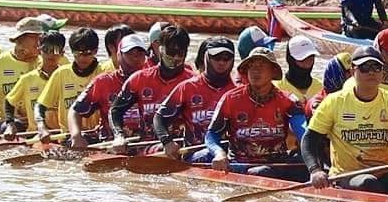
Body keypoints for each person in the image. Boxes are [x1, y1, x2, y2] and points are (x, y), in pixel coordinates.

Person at [303, 45, 388, 195]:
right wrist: (315, 170)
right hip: (347, 176)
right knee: (368, 182)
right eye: (364, 67)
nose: (371, 72)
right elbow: (309, 139)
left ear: (382, 71)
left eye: (376, 67)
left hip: (384, 171)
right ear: (353, 71)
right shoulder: (333, 102)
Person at [205, 44, 309, 178]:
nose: (255, 71)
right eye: (252, 67)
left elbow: (303, 133)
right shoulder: (230, 99)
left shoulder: (289, 100)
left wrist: (314, 160)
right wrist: (218, 153)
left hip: (277, 166)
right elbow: (212, 134)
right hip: (240, 165)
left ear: (273, 72)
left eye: (261, 67)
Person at [117, 25, 197, 147]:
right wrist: (118, 135)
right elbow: (115, 110)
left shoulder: (194, 81)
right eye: (171, 52)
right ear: (160, 49)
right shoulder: (139, 79)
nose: (176, 58)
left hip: (184, 148)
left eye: (180, 53)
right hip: (147, 147)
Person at [70, 31, 145, 149]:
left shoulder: (153, 79)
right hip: (112, 143)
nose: (136, 58)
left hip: (145, 142)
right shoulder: (102, 81)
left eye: (140, 54)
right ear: (119, 55)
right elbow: (75, 111)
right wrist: (76, 136)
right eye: (130, 53)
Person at [3, 30, 65, 136]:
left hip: (63, 135)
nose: (51, 54)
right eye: (46, 50)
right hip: (35, 135)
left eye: (55, 50)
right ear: (39, 50)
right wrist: (10, 125)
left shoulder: (67, 76)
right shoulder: (27, 79)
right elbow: (9, 102)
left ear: (62, 53)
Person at [277, 35, 324, 106]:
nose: (307, 64)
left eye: (310, 59)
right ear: (290, 60)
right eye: (302, 59)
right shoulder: (277, 89)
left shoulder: (321, 88)